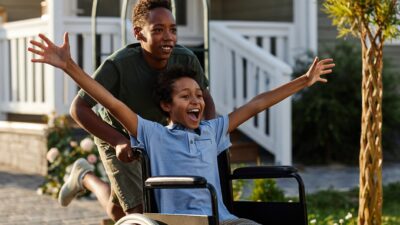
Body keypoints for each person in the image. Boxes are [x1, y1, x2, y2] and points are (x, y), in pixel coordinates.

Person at [28, 29, 334, 224]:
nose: (196, 101)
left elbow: (257, 104)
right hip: (181, 223)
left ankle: (85, 177)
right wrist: (69, 67)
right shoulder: (153, 134)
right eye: (185, 96)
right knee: (120, 211)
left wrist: (304, 81)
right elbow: (112, 103)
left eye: (199, 95)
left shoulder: (213, 132)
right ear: (166, 105)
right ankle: (86, 178)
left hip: (223, 220)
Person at [44, 0, 215, 222]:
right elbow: (79, 108)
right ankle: (89, 176)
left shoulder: (186, 59)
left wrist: (207, 134)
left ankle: (84, 177)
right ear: (138, 33)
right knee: (139, 210)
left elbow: (206, 98)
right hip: (117, 134)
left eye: (173, 30)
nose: (168, 37)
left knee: (118, 211)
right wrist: (117, 141)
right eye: (158, 30)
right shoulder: (118, 66)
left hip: (155, 136)